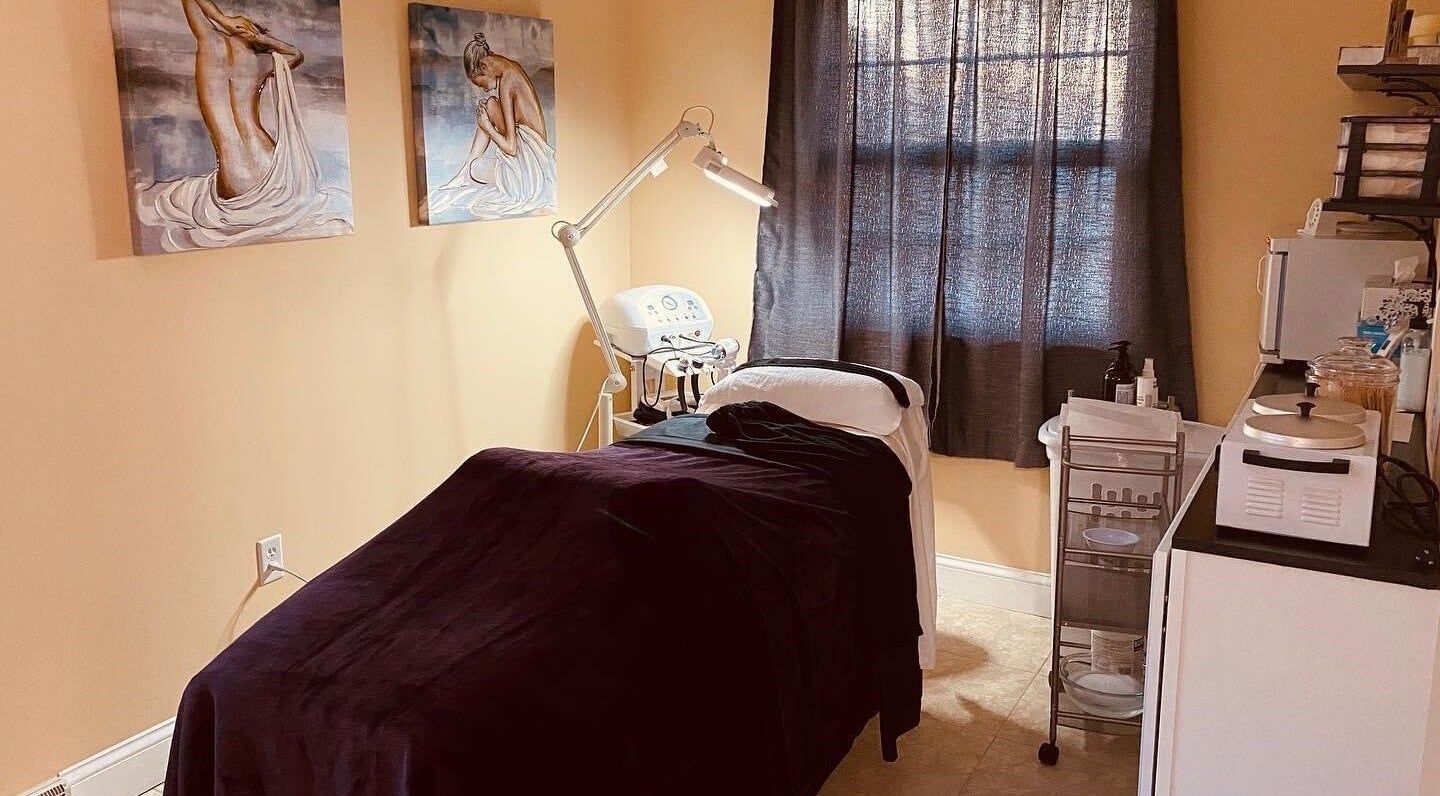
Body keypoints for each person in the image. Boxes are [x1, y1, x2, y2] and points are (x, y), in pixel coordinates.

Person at [141, 0, 351, 251]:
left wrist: (223, 18)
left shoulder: (210, 43)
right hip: (272, 164)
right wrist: (266, 42)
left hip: (235, 173)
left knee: (183, 197)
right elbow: (295, 55)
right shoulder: (260, 63)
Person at [427, 32, 558, 222]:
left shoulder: (508, 81)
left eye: (480, 84)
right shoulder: (512, 70)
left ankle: (465, 172)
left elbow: (511, 148)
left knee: (476, 167)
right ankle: (464, 172)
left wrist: (488, 127)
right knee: (489, 105)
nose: (484, 88)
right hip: (531, 158)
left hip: (529, 171)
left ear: (483, 68)